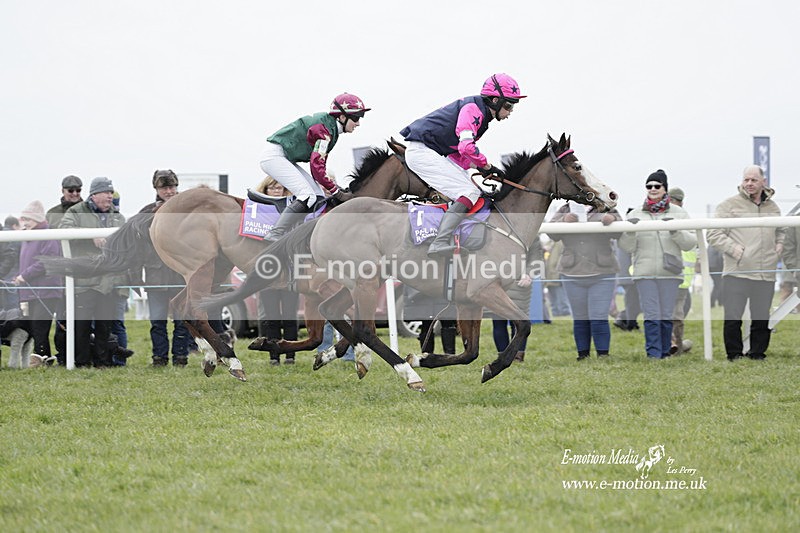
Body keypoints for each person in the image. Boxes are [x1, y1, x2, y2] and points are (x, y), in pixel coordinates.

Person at [400, 73, 526, 257]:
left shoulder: (481, 115)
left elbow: (457, 153)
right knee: (469, 192)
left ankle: (450, 235)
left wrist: (476, 170)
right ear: (494, 100)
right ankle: (440, 241)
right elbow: (466, 147)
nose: (511, 111)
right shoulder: (473, 109)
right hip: (422, 152)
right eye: (508, 105)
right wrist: (487, 166)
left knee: (473, 189)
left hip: (431, 152)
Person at [258, 93, 368, 242]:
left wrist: (334, 188)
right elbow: (316, 167)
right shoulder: (324, 130)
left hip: (283, 156)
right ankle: (275, 234)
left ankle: (297, 234)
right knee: (307, 195)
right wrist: (336, 191)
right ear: (342, 117)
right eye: (356, 118)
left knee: (318, 195)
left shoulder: (330, 128)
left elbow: (319, 167)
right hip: (274, 156)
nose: (358, 123)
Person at [707, 165, 784, 361]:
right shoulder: (728, 205)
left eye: (754, 180)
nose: (749, 184)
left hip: (765, 272)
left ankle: (757, 353)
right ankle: (734, 354)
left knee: (761, 317)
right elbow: (713, 233)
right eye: (746, 180)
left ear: (763, 182)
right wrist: (734, 250)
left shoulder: (773, 208)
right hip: (736, 272)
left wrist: (779, 245)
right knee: (733, 317)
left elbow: (781, 230)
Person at [618, 170, 697, 359]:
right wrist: (629, 231)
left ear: (665, 189)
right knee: (651, 315)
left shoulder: (680, 213)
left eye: (657, 186)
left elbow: (690, 242)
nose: (652, 189)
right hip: (644, 273)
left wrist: (675, 231)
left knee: (666, 315)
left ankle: (664, 352)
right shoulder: (636, 213)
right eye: (649, 186)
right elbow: (626, 247)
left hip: (669, 273)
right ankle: (653, 354)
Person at [59, 177, 127, 367]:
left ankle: (102, 363)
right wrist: (90, 236)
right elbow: (64, 229)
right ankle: (81, 362)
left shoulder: (117, 216)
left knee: (105, 326)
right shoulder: (76, 211)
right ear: (94, 195)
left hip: (107, 281)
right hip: (84, 281)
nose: (110, 196)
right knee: (82, 326)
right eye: (107, 192)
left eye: (111, 193)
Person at [551, 203, 622, 360]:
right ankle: (583, 355)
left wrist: (612, 219)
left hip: (602, 272)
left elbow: (620, 230)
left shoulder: (604, 207)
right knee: (580, 317)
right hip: (572, 272)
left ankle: (603, 355)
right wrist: (564, 220)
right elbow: (552, 233)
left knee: (599, 317)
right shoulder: (565, 209)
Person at [141, 170, 190, 367]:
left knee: (182, 321)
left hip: (180, 273)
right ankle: (159, 358)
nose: (169, 191)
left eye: (172, 187)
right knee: (157, 322)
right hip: (156, 275)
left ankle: (181, 357)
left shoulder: (188, 210)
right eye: (164, 187)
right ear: (156, 189)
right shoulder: (146, 212)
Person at [253, 176, 301, 365]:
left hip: (289, 271)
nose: (276, 191)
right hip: (268, 272)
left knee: (290, 315)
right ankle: (274, 356)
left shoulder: (293, 210)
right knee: (271, 316)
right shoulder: (259, 214)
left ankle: (290, 354)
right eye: (272, 188)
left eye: (279, 188)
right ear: (265, 190)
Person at [13, 200, 62, 366]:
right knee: (35, 326)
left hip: (46, 290)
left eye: (28, 219)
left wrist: (24, 276)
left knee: (40, 326)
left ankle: (40, 358)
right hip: (32, 290)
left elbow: (45, 261)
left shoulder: (47, 235)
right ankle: (44, 357)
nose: (25, 223)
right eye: (24, 219)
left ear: (37, 219)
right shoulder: (28, 236)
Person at [666, 187, 697, 355]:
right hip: (664, 275)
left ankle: (677, 347)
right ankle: (669, 345)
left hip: (681, 278)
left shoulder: (686, 222)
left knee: (677, 315)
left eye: (674, 201)